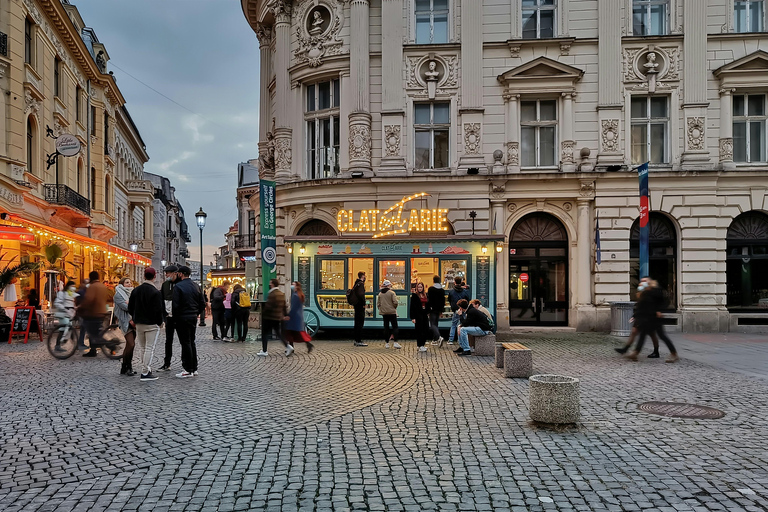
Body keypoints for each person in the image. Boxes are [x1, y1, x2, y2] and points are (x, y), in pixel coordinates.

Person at [627, 280, 679, 363]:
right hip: (647, 319)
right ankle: (635, 353)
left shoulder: (655, 293)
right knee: (643, 335)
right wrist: (636, 316)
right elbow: (641, 307)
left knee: (662, 336)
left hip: (655, 319)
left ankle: (674, 353)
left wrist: (659, 310)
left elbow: (665, 302)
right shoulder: (644, 294)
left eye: (644, 283)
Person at [128, 268, 165, 381]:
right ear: (154, 277)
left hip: (139, 323)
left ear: (144, 276)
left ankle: (146, 369)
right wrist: (160, 322)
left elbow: (130, 307)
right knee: (149, 347)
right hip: (151, 324)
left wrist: (134, 318)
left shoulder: (136, 290)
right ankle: (145, 371)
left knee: (143, 347)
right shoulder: (156, 292)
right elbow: (159, 309)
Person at [172, 266, 205, 378]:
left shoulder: (178, 286)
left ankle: (187, 368)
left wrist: (175, 319)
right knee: (191, 341)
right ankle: (194, 368)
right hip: (192, 316)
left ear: (181, 274)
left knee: (185, 343)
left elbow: (175, 305)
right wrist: (197, 313)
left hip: (182, 317)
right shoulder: (195, 286)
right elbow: (202, 302)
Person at [615, 277, 659, 357]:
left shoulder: (651, 293)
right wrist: (635, 316)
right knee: (635, 332)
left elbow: (651, 306)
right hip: (641, 316)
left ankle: (639, 352)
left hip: (647, 317)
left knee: (649, 335)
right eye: (641, 281)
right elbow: (640, 306)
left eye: (644, 281)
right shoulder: (642, 293)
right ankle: (626, 349)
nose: (642, 283)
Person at [77, 271, 109, 357]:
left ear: (91, 278)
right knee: (95, 331)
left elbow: (88, 299)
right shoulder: (103, 286)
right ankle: (93, 349)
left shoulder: (92, 287)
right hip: (102, 311)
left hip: (94, 312)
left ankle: (102, 346)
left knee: (90, 330)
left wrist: (80, 307)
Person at [259, 279, 289, 356]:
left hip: (269, 317)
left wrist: (263, 314)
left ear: (272, 284)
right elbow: (284, 306)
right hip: (277, 317)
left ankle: (264, 350)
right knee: (278, 333)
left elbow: (268, 306)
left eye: (270, 283)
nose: (269, 284)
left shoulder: (272, 294)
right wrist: (285, 315)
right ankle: (288, 346)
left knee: (264, 334)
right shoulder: (281, 294)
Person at [113, 277, 137, 376]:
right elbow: (126, 307)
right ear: (122, 284)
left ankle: (126, 367)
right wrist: (133, 304)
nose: (129, 284)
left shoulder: (132, 293)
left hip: (133, 321)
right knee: (131, 344)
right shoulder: (118, 294)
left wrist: (132, 303)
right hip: (125, 322)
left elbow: (134, 305)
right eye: (127, 282)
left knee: (129, 345)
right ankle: (127, 366)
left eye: (130, 282)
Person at [284, 281, 314, 353]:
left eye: (293, 284)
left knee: (290, 332)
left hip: (294, 316)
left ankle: (292, 347)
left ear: (297, 286)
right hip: (298, 316)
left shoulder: (295, 295)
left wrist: (288, 315)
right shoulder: (300, 295)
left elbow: (293, 308)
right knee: (295, 333)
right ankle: (306, 344)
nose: (292, 285)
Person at [159, 265, 178, 371]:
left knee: (184, 341)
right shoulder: (165, 285)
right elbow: (162, 300)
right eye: (166, 273)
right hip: (168, 317)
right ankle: (167, 363)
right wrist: (163, 316)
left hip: (179, 317)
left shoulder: (180, 284)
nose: (166, 275)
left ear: (175, 273)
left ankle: (186, 364)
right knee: (168, 341)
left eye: (168, 273)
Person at [52, 281, 77, 353]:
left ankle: (75, 344)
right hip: (62, 314)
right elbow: (57, 303)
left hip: (68, 314)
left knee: (70, 328)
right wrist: (65, 308)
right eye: (72, 286)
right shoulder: (61, 293)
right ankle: (58, 345)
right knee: (64, 329)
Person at [447, 277, 471, 344]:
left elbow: (449, 299)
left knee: (454, 324)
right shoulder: (464, 291)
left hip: (455, 310)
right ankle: (461, 338)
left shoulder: (451, 291)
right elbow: (468, 299)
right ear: (461, 282)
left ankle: (451, 339)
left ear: (454, 282)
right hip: (463, 309)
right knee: (462, 324)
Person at [378, 280, 401, 349]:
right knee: (395, 327)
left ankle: (387, 343)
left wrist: (382, 309)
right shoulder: (391, 293)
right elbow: (395, 302)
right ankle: (395, 342)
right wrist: (394, 308)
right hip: (392, 312)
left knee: (386, 327)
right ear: (389, 285)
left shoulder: (380, 294)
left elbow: (378, 304)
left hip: (384, 313)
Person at [410, 282, 430, 352]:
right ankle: (420, 345)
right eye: (418, 287)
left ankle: (422, 344)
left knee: (426, 329)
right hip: (418, 315)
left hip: (424, 314)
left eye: (421, 287)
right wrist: (412, 317)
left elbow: (428, 304)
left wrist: (428, 311)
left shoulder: (425, 295)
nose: (420, 288)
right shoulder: (415, 296)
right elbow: (412, 307)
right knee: (419, 330)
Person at [427, 276, 445, 346]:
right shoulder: (442, 290)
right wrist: (441, 310)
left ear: (433, 280)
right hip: (439, 309)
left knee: (432, 325)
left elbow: (429, 300)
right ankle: (435, 339)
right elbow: (443, 301)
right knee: (436, 324)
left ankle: (439, 337)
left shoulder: (431, 289)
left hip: (432, 309)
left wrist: (428, 310)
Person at [352, 271, 368, 347]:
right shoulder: (361, 284)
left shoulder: (356, 284)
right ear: (362, 276)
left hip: (356, 305)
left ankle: (356, 339)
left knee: (356, 322)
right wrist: (364, 304)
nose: (365, 277)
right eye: (365, 276)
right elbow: (361, 295)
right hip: (360, 306)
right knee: (360, 323)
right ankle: (359, 340)